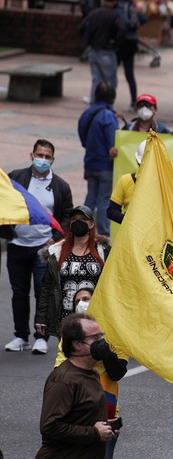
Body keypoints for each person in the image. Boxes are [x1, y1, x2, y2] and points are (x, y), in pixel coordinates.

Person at [4, 140, 73, 353]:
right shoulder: (16, 178)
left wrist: (54, 239)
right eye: (39, 155)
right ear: (31, 154)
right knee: (19, 293)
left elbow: (66, 216)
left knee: (43, 294)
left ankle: (41, 337)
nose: (42, 160)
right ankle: (20, 336)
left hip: (43, 249)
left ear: (53, 159)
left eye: (47, 157)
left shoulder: (60, 186)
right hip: (17, 245)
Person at [37, 313, 118, 458]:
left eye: (101, 335)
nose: (102, 341)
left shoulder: (91, 373)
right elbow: (50, 427)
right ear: (77, 344)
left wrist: (105, 426)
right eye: (95, 337)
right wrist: (94, 433)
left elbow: (80, 415)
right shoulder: (63, 380)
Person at [34, 206, 109, 347]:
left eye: (83, 219)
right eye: (74, 219)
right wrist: (41, 318)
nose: (77, 222)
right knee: (69, 360)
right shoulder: (57, 251)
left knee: (94, 361)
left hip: (96, 318)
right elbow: (47, 287)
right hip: (66, 319)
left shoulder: (103, 251)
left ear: (92, 224)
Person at [77, 83, 120, 235]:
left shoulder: (87, 112)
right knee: (104, 201)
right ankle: (104, 234)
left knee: (90, 199)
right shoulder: (108, 116)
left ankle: (81, 229)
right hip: (105, 166)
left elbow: (82, 136)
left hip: (90, 162)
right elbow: (113, 142)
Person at [79, 0, 125, 102]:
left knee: (97, 80)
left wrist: (89, 40)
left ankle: (94, 104)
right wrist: (115, 41)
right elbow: (123, 30)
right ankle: (107, 105)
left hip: (94, 50)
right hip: (107, 52)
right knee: (110, 81)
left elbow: (82, 27)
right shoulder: (115, 15)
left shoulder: (94, 12)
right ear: (114, 1)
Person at [111, 0, 143, 109]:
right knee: (129, 73)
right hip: (132, 41)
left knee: (112, 72)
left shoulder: (119, 7)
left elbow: (121, 23)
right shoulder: (131, 5)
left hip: (122, 41)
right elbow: (139, 20)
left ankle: (108, 98)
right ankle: (134, 101)